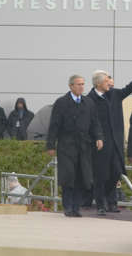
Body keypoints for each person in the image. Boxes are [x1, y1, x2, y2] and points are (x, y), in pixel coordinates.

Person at [87, 60, 132, 215]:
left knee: (116, 173)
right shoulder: (90, 100)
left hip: (116, 142)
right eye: (108, 80)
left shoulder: (115, 94)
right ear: (99, 83)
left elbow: (129, 88)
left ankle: (112, 202)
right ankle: (101, 204)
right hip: (100, 144)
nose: (111, 83)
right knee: (101, 175)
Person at [47, 75, 103, 217]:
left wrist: (99, 137)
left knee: (81, 176)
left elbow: (95, 123)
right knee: (68, 176)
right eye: (78, 84)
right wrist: (50, 145)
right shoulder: (61, 102)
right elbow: (54, 125)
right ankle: (68, 206)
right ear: (71, 86)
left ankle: (76, 207)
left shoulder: (88, 103)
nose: (81, 87)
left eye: (83, 84)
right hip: (66, 145)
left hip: (84, 146)